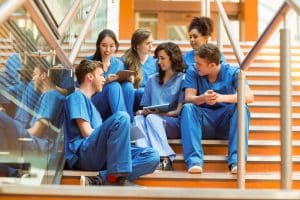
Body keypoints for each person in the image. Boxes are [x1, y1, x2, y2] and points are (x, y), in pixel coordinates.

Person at [64, 60, 159, 186]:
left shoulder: (93, 107)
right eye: (101, 75)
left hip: (102, 154)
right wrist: (112, 134)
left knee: (152, 156)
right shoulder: (77, 96)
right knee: (122, 117)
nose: (104, 79)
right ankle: (120, 179)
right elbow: (87, 132)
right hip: (84, 154)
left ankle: (102, 179)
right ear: (90, 77)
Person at [180, 43, 254, 174]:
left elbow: (249, 96)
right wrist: (202, 98)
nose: (195, 65)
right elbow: (188, 97)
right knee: (188, 108)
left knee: (242, 107)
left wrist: (221, 98)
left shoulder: (233, 72)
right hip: (204, 122)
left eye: (199, 64)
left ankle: (237, 162)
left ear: (212, 65)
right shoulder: (193, 70)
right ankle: (194, 161)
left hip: (225, 122)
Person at [134, 42, 185, 170]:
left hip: (172, 122)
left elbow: (178, 111)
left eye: (162, 58)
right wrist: (141, 112)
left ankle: (165, 157)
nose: (158, 61)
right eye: (157, 58)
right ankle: (144, 155)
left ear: (172, 59)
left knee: (152, 118)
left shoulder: (183, 79)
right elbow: (145, 107)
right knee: (137, 119)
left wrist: (159, 114)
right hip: (153, 119)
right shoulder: (152, 80)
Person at [0, 65, 66, 154]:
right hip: (36, 144)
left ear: (43, 75)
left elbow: (37, 131)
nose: (33, 79)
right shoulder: (48, 95)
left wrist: (15, 136)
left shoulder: (51, 95)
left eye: (34, 75)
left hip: (40, 147)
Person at [86, 29, 127, 120]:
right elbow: (83, 89)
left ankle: (126, 119)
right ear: (98, 45)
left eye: (111, 46)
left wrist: (128, 79)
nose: (108, 50)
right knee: (113, 86)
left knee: (126, 86)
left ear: (116, 46)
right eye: (104, 46)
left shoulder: (119, 64)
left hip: (112, 102)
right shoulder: (88, 62)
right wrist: (106, 81)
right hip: (94, 101)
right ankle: (123, 121)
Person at [122, 28, 157, 120]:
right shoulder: (125, 61)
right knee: (137, 91)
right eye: (147, 43)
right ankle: (129, 118)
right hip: (132, 100)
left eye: (152, 43)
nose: (151, 46)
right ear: (137, 45)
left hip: (149, 100)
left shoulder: (155, 62)